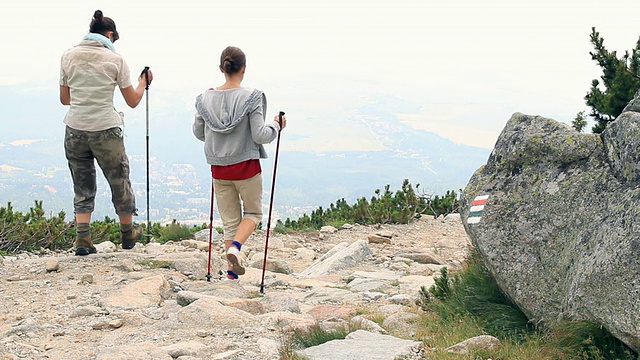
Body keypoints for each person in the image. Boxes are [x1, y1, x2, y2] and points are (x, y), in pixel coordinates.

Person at [59, 10, 153, 256]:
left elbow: (64, 98)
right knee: (119, 180)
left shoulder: (68, 56)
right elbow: (132, 100)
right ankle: (127, 235)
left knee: (82, 184)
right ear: (110, 35)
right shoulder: (116, 60)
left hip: (75, 128)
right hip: (106, 129)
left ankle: (82, 238)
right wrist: (143, 82)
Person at [192, 46, 286, 280]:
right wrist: (277, 125)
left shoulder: (204, 99)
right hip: (246, 167)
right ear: (244, 68)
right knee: (253, 214)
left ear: (221, 68)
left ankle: (231, 274)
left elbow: (198, 132)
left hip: (218, 168)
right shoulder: (253, 97)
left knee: (230, 221)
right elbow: (260, 136)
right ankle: (235, 248)